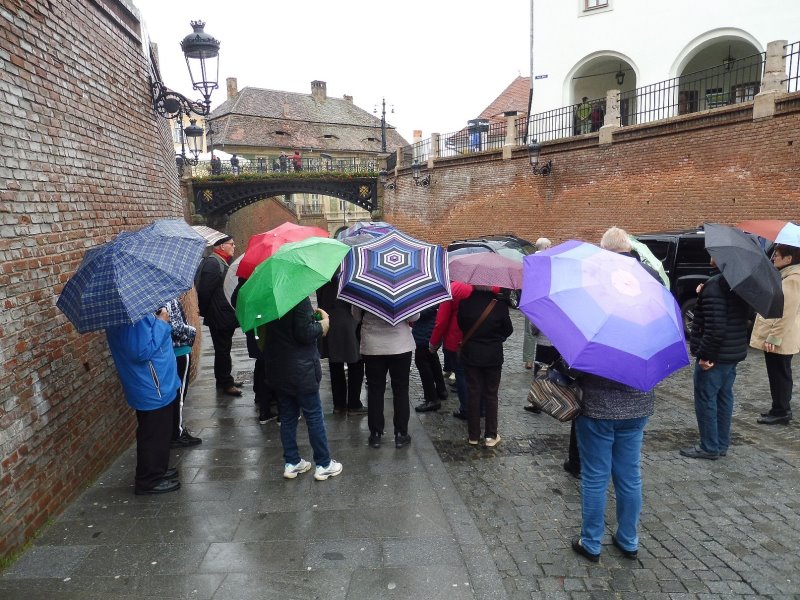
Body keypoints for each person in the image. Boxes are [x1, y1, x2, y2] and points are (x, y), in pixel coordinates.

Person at [570, 373, 655, 562]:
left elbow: (571, 368)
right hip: (637, 407)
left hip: (597, 408)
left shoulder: (595, 342)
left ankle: (591, 542)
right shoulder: (644, 341)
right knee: (630, 477)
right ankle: (628, 539)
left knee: (595, 477)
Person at [260, 298, 342, 481]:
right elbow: (304, 333)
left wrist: (309, 316)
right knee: (313, 415)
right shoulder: (298, 298)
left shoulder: (269, 300)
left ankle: (292, 462)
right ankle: (324, 464)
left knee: (288, 416)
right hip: (301, 368)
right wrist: (323, 323)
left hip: (278, 367)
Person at [680, 257, 749, 460]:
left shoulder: (715, 285)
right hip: (732, 352)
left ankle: (709, 446)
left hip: (715, 356)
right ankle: (721, 443)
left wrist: (706, 356)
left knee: (706, 399)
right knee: (724, 397)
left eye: (712, 253)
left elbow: (715, 327)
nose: (709, 256)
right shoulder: (739, 282)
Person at [106, 310, 181, 495]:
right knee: (153, 433)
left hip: (154, 383)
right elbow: (141, 351)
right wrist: (162, 322)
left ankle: (158, 470)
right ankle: (148, 480)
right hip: (151, 385)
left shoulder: (131, 314)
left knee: (159, 432)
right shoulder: (131, 317)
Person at [750, 243, 800, 425]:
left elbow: (787, 312)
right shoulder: (786, 277)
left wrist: (774, 337)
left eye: (777, 255)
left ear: (789, 259)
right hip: (780, 336)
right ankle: (778, 407)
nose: (774, 258)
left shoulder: (793, 279)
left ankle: (782, 411)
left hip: (781, 338)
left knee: (780, 374)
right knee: (777, 373)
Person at [457, 285, 513, 447]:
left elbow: (461, 325)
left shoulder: (465, 302)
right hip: (493, 355)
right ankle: (490, 435)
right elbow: (508, 330)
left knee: (473, 393)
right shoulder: (499, 304)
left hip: (471, 353)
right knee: (491, 394)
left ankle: (473, 435)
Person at [355, 307, 419, 449]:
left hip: (373, 345)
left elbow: (356, 316)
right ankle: (401, 434)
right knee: (401, 390)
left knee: (375, 389)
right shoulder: (404, 287)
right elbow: (414, 317)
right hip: (400, 345)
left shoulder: (365, 287)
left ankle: (375, 434)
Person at [195, 236, 242, 396]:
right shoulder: (213, 264)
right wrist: (207, 312)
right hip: (219, 315)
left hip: (223, 314)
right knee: (222, 350)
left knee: (224, 349)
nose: (234, 246)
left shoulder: (220, 261)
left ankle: (223, 379)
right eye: (231, 244)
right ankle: (226, 383)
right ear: (222, 246)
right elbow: (204, 291)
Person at [316, 276, 367, 415]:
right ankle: (354, 404)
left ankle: (339, 405)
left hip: (330, 322)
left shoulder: (323, 276)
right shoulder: (349, 274)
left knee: (335, 364)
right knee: (356, 362)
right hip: (349, 323)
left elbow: (320, 299)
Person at [430, 281, 474, 420]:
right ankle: (482, 408)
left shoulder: (453, 288)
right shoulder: (484, 287)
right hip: (476, 339)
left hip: (455, 339)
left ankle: (466, 409)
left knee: (461, 374)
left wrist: (434, 342)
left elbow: (441, 320)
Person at [164, 296, 202, 448]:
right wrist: (192, 331)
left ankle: (173, 431)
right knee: (179, 395)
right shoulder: (168, 298)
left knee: (175, 394)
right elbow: (176, 328)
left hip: (170, 352)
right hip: (179, 351)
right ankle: (177, 434)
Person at [522, 237, 552, 370]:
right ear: (546, 248)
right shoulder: (550, 260)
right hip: (544, 299)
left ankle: (528, 360)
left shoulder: (528, 260)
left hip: (530, 298)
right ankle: (544, 360)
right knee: (544, 330)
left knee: (529, 331)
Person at [413, 305, 448, 413]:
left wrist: (412, 310)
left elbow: (418, 315)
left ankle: (431, 399)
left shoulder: (427, 298)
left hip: (424, 333)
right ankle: (441, 390)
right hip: (429, 331)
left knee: (422, 362)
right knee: (433, 360)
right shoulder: (431, 294)